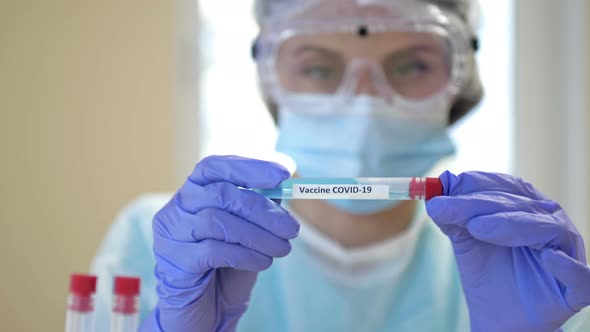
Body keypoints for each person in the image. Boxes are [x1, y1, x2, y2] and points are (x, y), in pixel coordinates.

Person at [91, 0, 590, 331]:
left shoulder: (525, 265)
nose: (365, 102)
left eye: (411, 65)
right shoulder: (166, 246)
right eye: (320, 67)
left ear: (460, 80)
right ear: (270, 81)